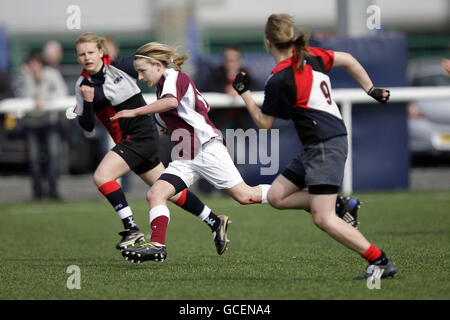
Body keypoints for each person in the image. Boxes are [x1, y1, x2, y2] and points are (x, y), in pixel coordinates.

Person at [232, 14, 397, 280]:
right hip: (321, 144)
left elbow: (264, 123)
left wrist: (244, 93)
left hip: (324, 145)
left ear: (267, 42)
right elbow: (350, 60)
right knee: (276, 196)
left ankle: (380, 261)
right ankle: (341, 204)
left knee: (323, 219)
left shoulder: (279, 79)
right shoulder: (312, 55)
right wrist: (371, 89)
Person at [110, 42, 272, 264]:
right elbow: (200, 105)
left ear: (157, 65)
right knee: (155, 194)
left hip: (205, 148)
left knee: (246, 196)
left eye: (142, 71)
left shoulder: (173, 77)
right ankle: (157, 245)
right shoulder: (165, 85)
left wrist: (136, 111)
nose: (139, 77)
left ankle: (306, 198)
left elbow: (172, 102)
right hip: (186, 154)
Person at [72, 32, 231, 255]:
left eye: (91, 52)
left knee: (102, 176)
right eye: (81, 54)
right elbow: (87, 126)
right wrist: (88, 102)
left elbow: (151, 63)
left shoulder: (122, 67)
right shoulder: (82, 85)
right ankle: (214, 221)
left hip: (141, 135)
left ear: (101, 52)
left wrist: (172, 74)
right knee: (166, 190)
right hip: (127, 141)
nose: (87, 57)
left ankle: (131, 228)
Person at [20, 51, 68, 200]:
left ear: (41, 64)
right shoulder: (24, 77)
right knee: (33, 159)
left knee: (53, 156)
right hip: (31, 123)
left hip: (49, 121)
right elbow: (21, 94)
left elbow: (62, 92)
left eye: (36, 63)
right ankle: (37, 193)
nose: (33, 67)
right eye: (31, 64)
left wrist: (44, 99)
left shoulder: (52, 74)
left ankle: (53, 191)